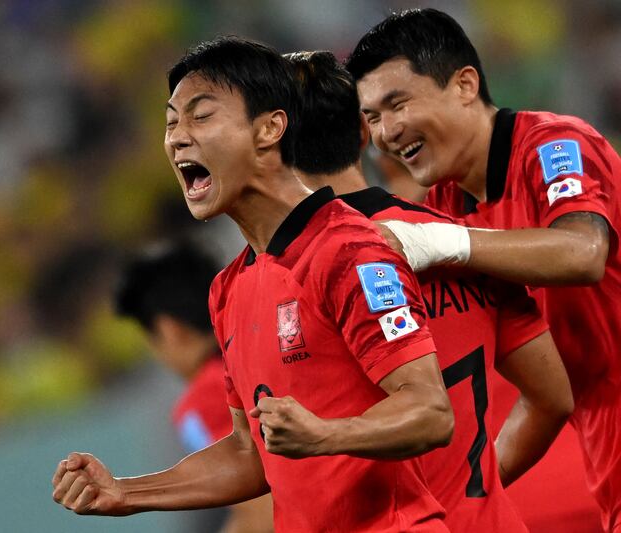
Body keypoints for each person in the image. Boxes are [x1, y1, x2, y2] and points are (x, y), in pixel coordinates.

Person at [52, 36, 455, 532]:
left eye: (201, 116)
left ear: (270, 128)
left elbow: (431, 410)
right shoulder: (229, 289)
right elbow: (249, 452)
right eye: (171, 121)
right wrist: (127, 492)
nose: (178, 137)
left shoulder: (348, 250)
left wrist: (325, 435)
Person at [348, 8, 621, 532]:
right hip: (601, 446)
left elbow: (584, 253)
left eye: (397, 103)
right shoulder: (445, 207)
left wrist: (447, 243)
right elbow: (549, 398)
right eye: (373, 117)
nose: (386, 132)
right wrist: (460, 501)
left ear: (465, 85)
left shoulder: (555, 145)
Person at [287, 49, 573, 532]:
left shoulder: (285, 275)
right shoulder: (461, 242)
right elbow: (554, 399)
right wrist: (472, 493)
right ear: (363, 133)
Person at [115, 242, 274, 533]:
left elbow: (263, 512)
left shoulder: (204, 398)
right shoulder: (260, 358)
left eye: (150, 340)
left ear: (169, 330)